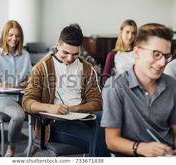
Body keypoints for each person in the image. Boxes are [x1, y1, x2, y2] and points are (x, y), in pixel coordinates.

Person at [22, 24, 109, 156]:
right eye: (65, 53)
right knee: (103, 139)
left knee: (105, 118)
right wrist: (50, 108)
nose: (69, 58)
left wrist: (74, 109)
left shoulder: (87, 69)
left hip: (85, 118)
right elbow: (27, 102)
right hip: (57, 124)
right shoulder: (42, 68)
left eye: (75, 54)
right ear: (57, 45)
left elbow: (97, 102)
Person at [101, 23, 176, 157]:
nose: (163, 62)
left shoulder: (172, 85)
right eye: (157, 54)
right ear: (137, 52)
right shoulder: (114, 87)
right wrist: (141, 148)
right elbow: (111, 141)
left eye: (166, 56)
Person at [0, 20, 32, 157]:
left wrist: (18, 85)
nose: (14, 39)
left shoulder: (25, 55)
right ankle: (12, 147)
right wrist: (1, 84)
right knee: (19, 115)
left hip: (23, 96)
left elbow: (30, 80)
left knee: (45, 111)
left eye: (17, 35)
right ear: (4, 35)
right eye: (10, 35)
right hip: (3, 98)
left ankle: (34, 145)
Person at [102, 19, 137, 86]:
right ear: (121, 32)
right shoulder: (112, 55)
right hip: (119, 89)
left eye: (133, 33)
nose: (130, 36)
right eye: (127, 32)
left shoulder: (139, 53)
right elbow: (105, 78)